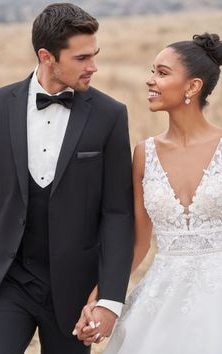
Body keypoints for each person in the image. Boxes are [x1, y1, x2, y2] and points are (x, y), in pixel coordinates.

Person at [0, 3, 133, 354]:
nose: (93, 67)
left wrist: (110, 300)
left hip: (74, 291)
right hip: (7, 280)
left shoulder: (110, 115)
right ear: (46, 56)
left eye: (94, 55)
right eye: (81, 58)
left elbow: (118, 214)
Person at [75, 32, 222, 353]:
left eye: (162, 73)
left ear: (193, 86)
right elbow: (139, 243)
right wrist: (103, 297)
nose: (150, 81)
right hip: (162, 294)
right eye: (152, 71)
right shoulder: (145, 153)